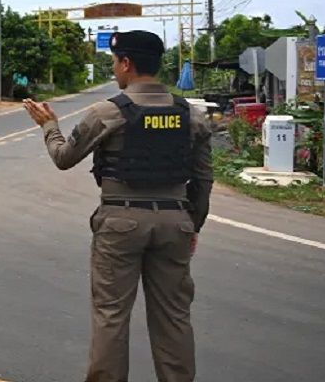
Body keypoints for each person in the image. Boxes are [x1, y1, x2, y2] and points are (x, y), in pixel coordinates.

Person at [23, 31, 213, 382]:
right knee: (174, 318)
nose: (114, 70)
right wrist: (193, 226)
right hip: (176, 224)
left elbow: (64, 158)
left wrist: (49, 126)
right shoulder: (192, 116)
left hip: (119, 224)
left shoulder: (107, 112)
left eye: (114, 63)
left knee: (111, 317)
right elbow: (203, 181)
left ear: (127, 63)